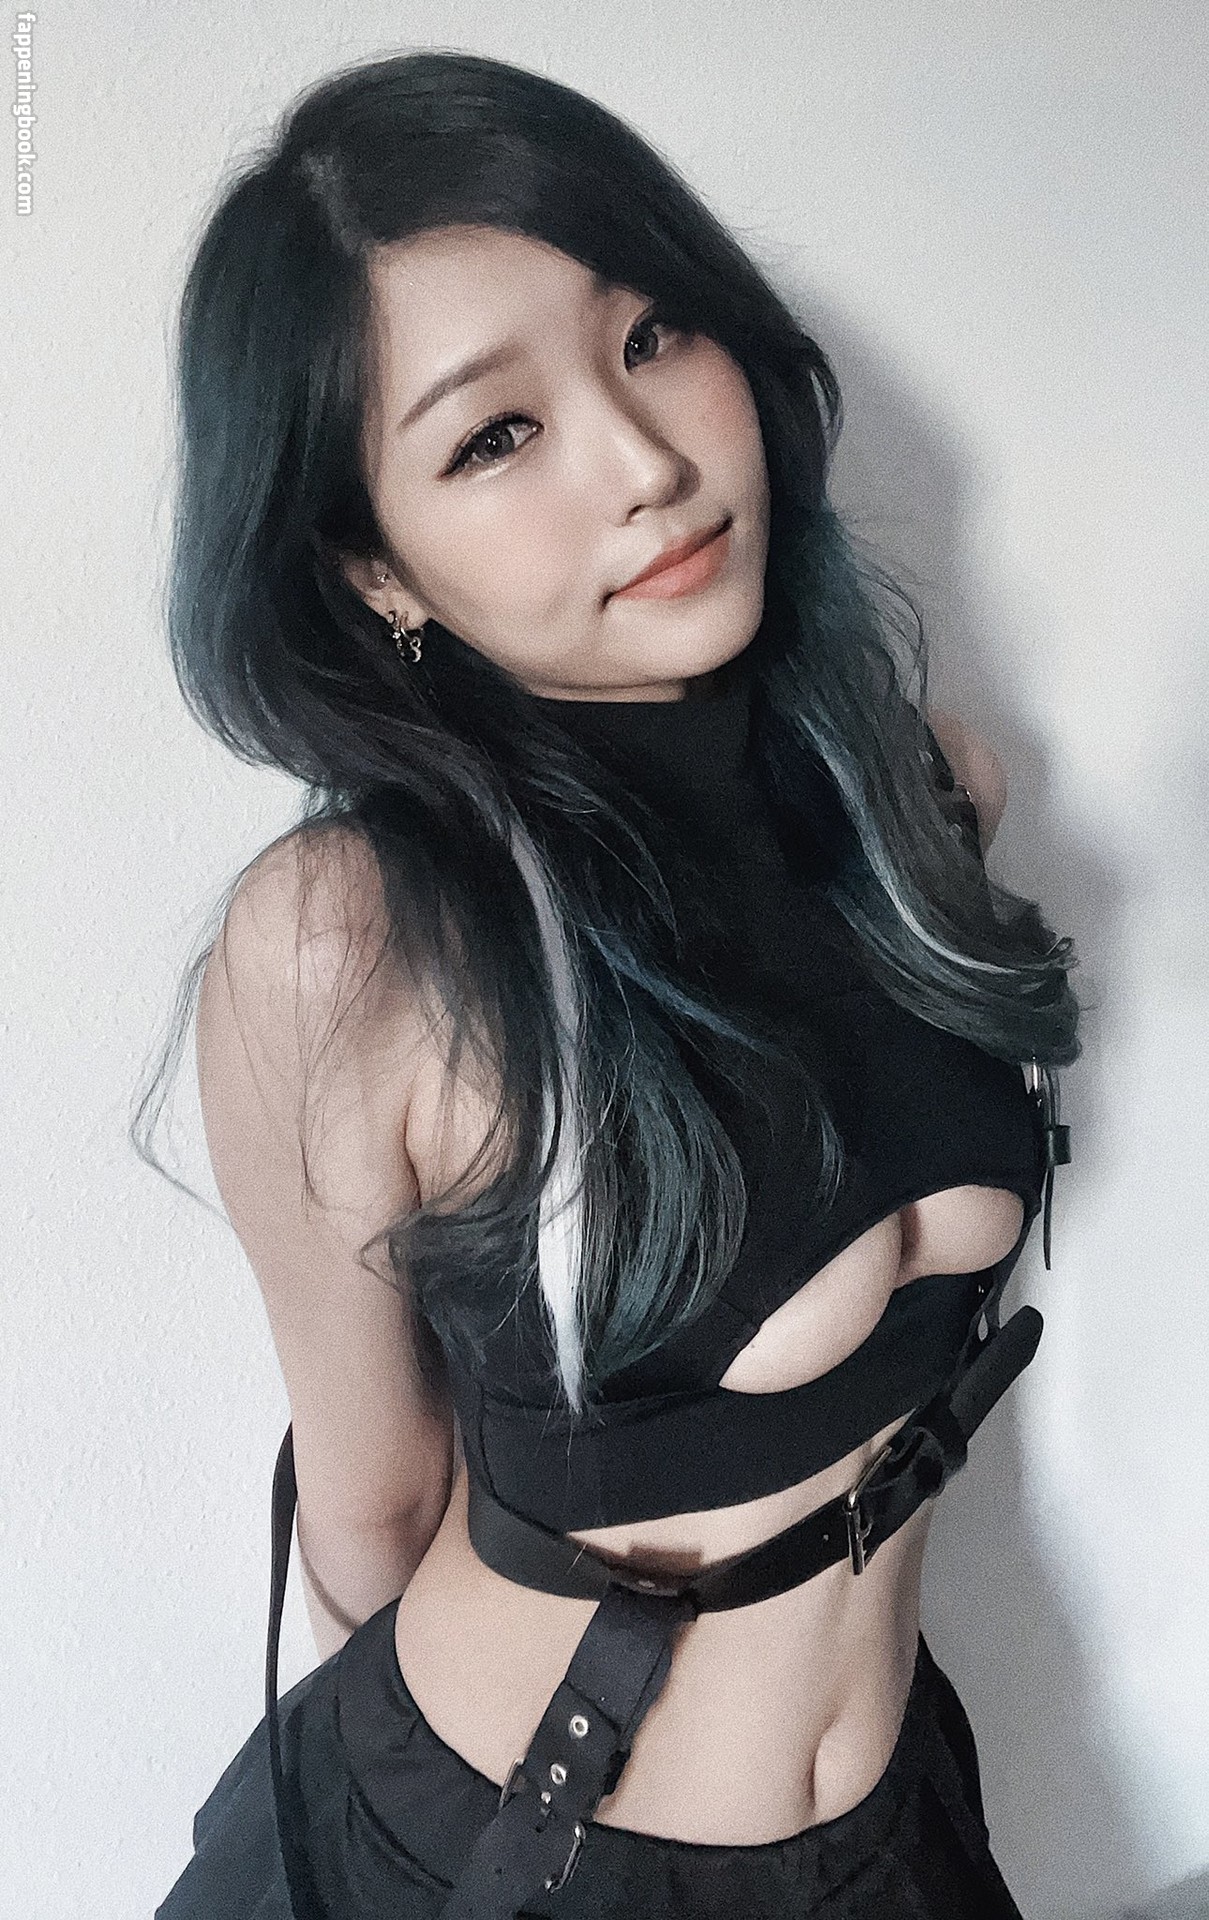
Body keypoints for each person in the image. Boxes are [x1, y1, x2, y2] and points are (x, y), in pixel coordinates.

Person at [142, 46, 1081, 1920]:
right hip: (513, 1854)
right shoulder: (350, 942)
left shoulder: (921, 803)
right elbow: (371, 1511)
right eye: (493, 437)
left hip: (893, 1830)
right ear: (371, 569)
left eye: (651, 335)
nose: (646, 465)